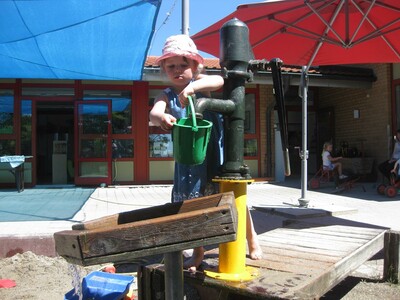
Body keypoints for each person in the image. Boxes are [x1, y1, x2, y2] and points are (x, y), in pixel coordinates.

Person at [149, 34, 262, 272]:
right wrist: (162, 117)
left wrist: (194, 87)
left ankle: (252, 239)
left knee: (233, 198)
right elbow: (154, 112)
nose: (178, 70)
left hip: (215, 155)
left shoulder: (201, 83)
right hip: (189, 163)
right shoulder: (167, 94)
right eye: (171, 66)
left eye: (184, 65)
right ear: (164, 69)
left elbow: (219, 81)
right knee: (194, 206)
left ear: (195, 66)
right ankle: (198, 252)